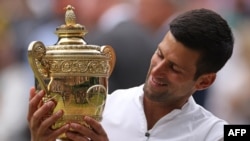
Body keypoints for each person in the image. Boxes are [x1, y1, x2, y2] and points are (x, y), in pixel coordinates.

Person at [27, 8, 234, 141]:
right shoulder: (100, 110)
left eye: (174, 68)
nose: (157, 70)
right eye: (159, 54)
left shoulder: (215, 134)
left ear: (205, 81)